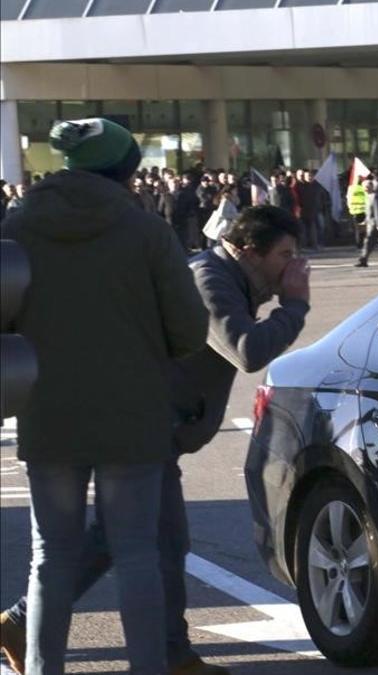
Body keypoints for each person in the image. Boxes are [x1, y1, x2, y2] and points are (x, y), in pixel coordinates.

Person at [0, 117, 209, 675]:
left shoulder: (17, 226)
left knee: (51, 558)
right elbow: (190, 333)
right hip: (132, 414)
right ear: (126, 172)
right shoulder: (146, 232)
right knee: (138, 554)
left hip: (46, 411)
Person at [173, 174, 200, 251]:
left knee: (188, 235)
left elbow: (195, 201)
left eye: (177, 183)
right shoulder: (180, 192)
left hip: (186, 216)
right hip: (180, 217)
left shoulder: (185, 192)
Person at [346, 176, 368, 248]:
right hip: (363, 210)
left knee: (357, 229)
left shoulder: (351, 189)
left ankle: (358, 244)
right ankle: (364, 243)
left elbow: (348, 199)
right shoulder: (364, 188)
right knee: (364, 229)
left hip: (354, 211)